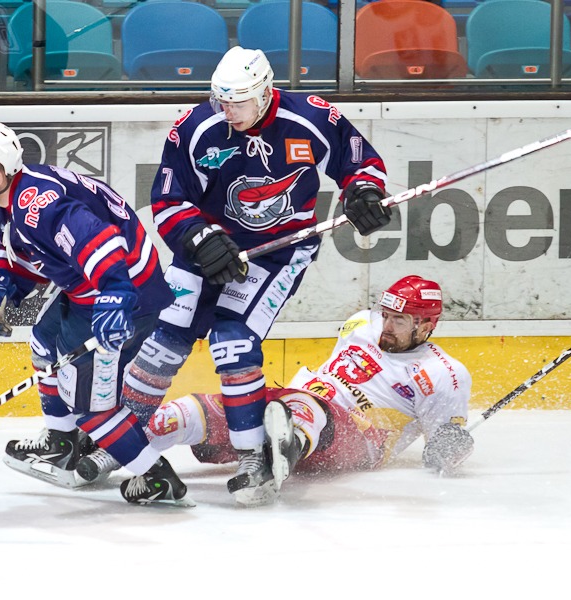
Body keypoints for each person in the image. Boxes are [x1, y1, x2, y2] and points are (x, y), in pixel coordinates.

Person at [80, 46, 393, 507]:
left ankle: (252, 458)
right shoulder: (195, 127)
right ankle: (123, 439)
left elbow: (358, 163)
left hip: (276, 254)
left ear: (265, 92)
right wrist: (198, 236)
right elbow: (167, 201)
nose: (227, 111)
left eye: (238, 102)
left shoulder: (311, 117)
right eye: (221, 101)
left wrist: (364, 191)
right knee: (165, 340)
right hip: (205, 248)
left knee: (233, 342)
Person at [0, 120, 192, 506]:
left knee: (91, 410)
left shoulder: (37, 204)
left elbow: (100, 241)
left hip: (124, 292)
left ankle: (157, 477)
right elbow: (19, 250)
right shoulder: (6, 202)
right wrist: (3, 281)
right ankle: (61, 442)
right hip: (89, 286)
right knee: (44, 342)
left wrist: (115, 294)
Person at [79, 275, 475, 492]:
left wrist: (452, 446)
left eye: (399, 321)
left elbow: (442, 445)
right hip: (294, 403)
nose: (386, 325)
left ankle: (278, 457)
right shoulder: (360, 324)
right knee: (194, 410)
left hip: (362, 437)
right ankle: (109, 454)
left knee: (303, 408)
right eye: (385, 314)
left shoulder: (444, 373)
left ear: (427, 325)